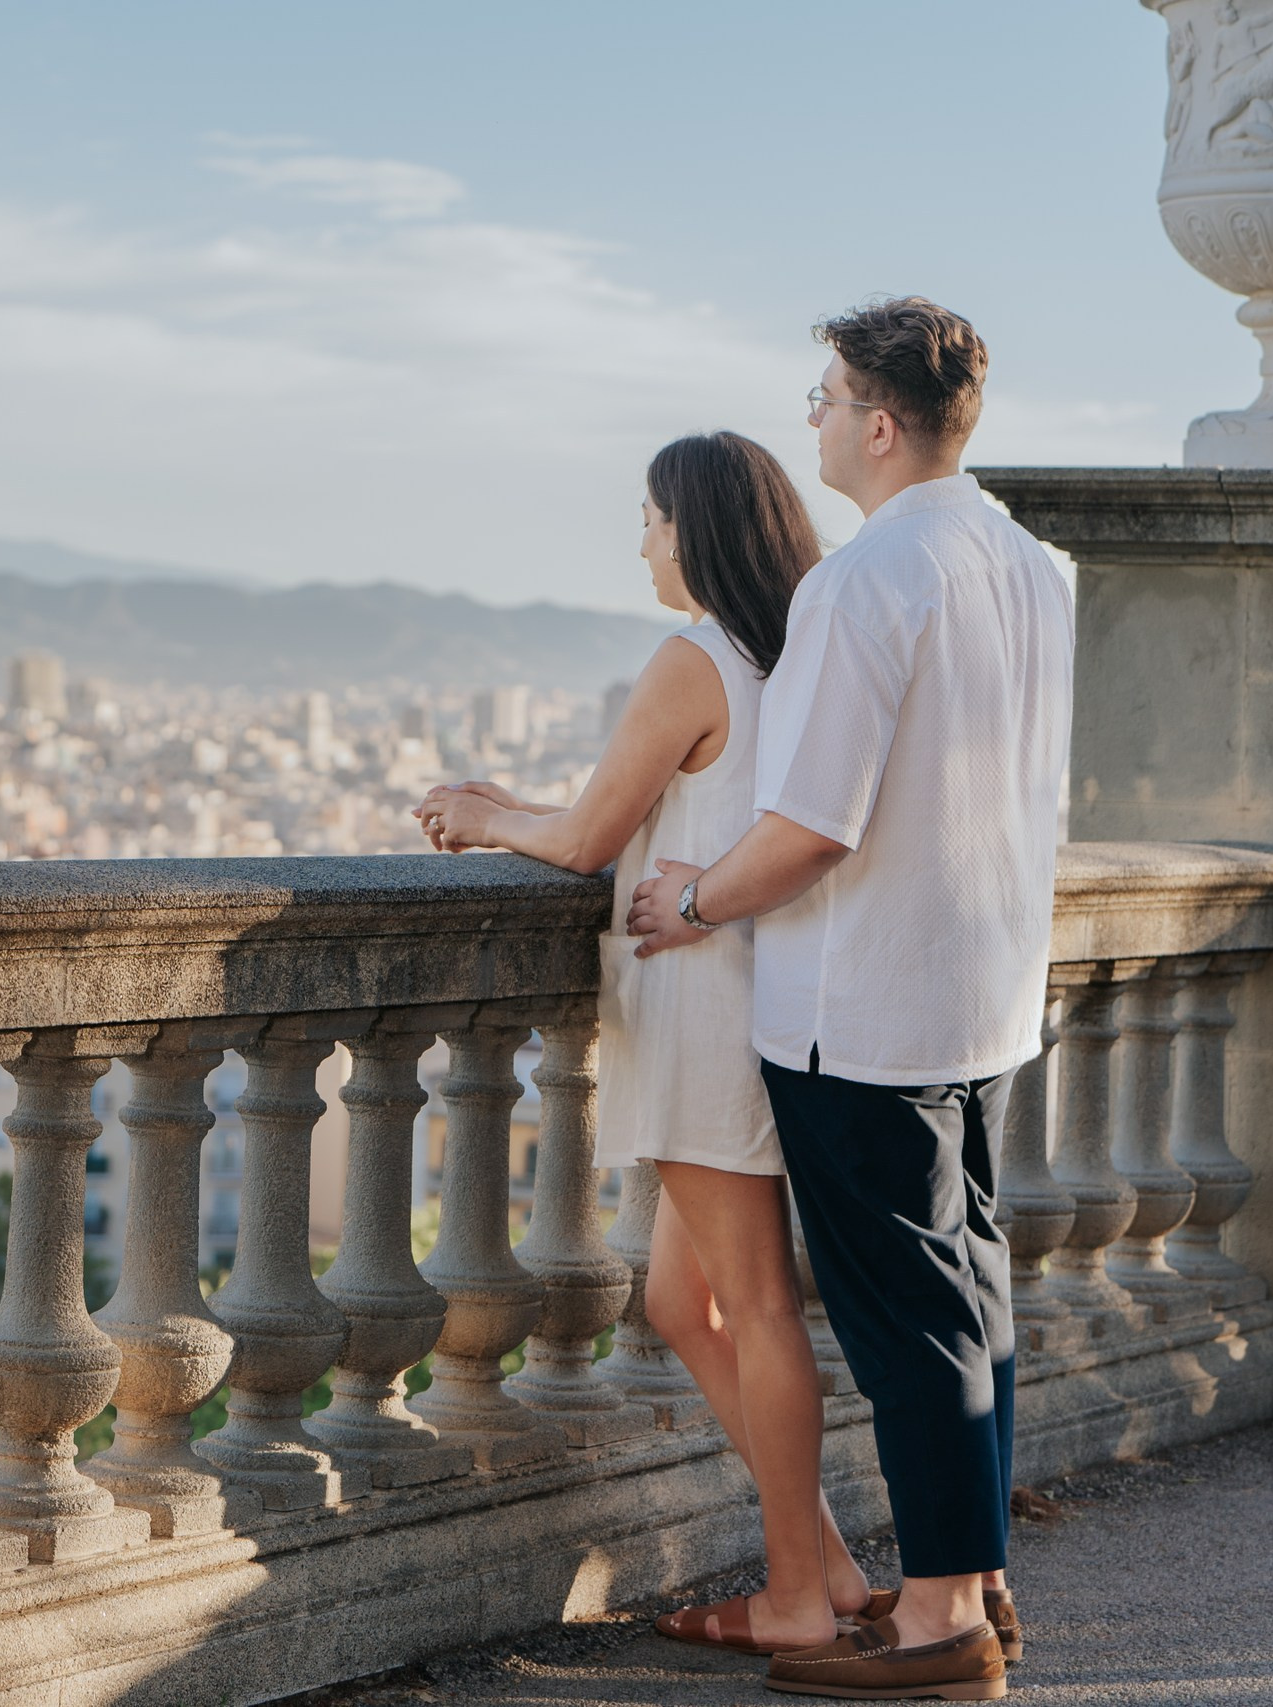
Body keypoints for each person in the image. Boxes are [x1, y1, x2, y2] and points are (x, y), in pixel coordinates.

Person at [630, 298, 1071, 1702]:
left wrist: (691, 901)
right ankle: (980, 1571)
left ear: (879, 423)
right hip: (982, 987)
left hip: (861, 1004)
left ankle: (940, 1614)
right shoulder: (1035, 567)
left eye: (824, 396)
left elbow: (809, 822)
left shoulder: (863, 582)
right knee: (972, 1296)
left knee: (911, 1322)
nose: (812, 415)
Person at [413, 431, 874, 1656]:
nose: (641, 540)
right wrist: (514, 811)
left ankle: (797, 1602)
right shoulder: (799, 654)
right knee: (681, 1300)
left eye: (653, 518)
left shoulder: (692, 659)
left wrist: (479, 817)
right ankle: (825, 1566)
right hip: (754, 990)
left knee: (758, 1307)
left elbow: (586, 842)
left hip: (700, 1006)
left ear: (700, 530)